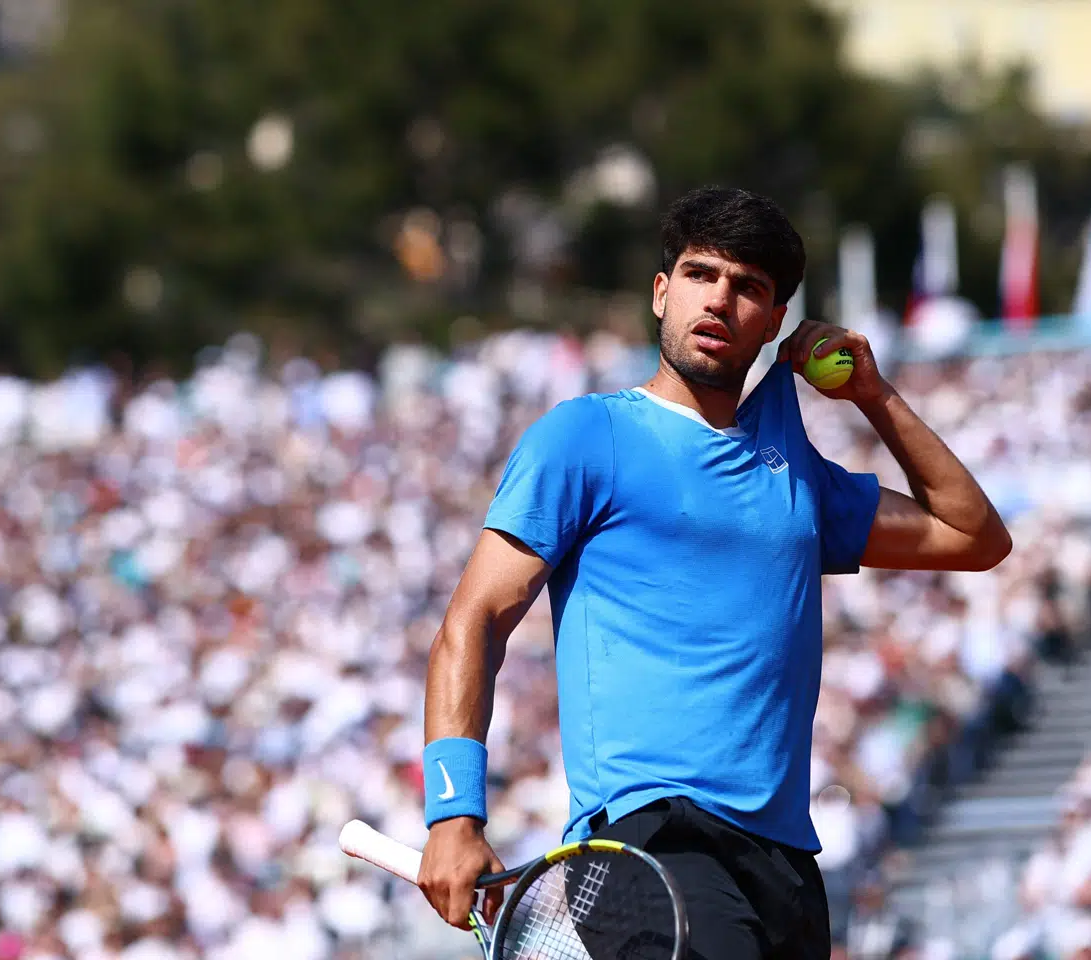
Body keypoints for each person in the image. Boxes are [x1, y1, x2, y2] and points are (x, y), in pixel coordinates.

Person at [415, 187, 1012, 959]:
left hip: (786, 864)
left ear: (774, 323)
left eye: (749, 287)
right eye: (700, 275)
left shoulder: (799, 481)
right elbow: (474, 621)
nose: (720, 299)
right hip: (653, 843)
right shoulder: (582, 437)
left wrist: (872, 393)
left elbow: (975, 534)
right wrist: (453, 816)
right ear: (662, 293)